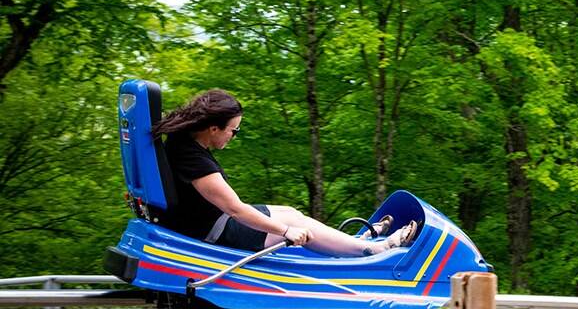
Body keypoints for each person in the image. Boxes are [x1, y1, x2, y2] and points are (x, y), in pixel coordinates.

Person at [151, 88, 416, 256]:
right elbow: (235, 209)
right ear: (213, 128)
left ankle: (350, 241)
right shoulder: (193, 158)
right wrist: (285, 231)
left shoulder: (183, 141)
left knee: (292, 213)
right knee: (294, 225)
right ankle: (373, 248)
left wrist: (285, 224)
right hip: (217, 230)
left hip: (212, 220)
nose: (234, 136)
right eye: (234, 130)